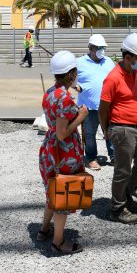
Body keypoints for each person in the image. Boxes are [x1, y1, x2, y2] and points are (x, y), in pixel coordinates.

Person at [37, 51, 87, 254]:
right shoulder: (65, 98)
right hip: (62, 152)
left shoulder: (50, 92)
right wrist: (81, 116)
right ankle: (58, 242)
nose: (76, 74)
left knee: (52, 189)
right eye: (74, 72)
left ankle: (43, 230)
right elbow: (62, 133)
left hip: (49, 150)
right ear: (70, 74)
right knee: (63, 195)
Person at [99, 33, 137, 225]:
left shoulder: (134, 72)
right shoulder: (113, 78)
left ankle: (126, 193)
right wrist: (106, 130)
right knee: (122, 171)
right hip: (121, 129)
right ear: (128, 56)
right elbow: (103, 108)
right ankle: (117, 208)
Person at [75, 34, 116, 170]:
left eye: (103, 47)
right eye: (98, 48)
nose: (101, 50)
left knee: (110, 131)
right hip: (89, 107)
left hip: (108, 105)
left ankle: (114, 156)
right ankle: (91, 158)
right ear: (90, 48)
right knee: (89, 134)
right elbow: (69, 77)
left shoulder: (109, 61)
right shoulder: (79, 62)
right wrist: (76, 87)